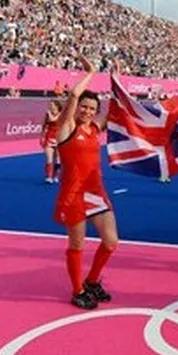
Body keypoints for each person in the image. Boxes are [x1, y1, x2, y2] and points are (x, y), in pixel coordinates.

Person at [53, 57, 119, 309]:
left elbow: (114, 110)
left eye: (92, 108)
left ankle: (92, 281)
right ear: (77, 107)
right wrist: (91, 72)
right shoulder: (66, 127)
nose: (88, 111)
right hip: (74, 194)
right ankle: (77, 290)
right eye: (84, 107)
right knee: (77, 244)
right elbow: (72, 95)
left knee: (111, 241)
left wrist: (117, 82)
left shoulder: (94, 128)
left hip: (96, 191)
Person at [41, 100, 62, 184]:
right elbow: (45, 125)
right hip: (49, 137)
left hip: (59, 138)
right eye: (50, 105)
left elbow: (53, 119)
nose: (51, 107)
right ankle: (48, 177)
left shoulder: (61, 114)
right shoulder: (48, 114)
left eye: (53, 105)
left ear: (57, 106)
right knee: (49, 159)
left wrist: (49, 114)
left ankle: (56, 176)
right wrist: (42, 136)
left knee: (57, 159)